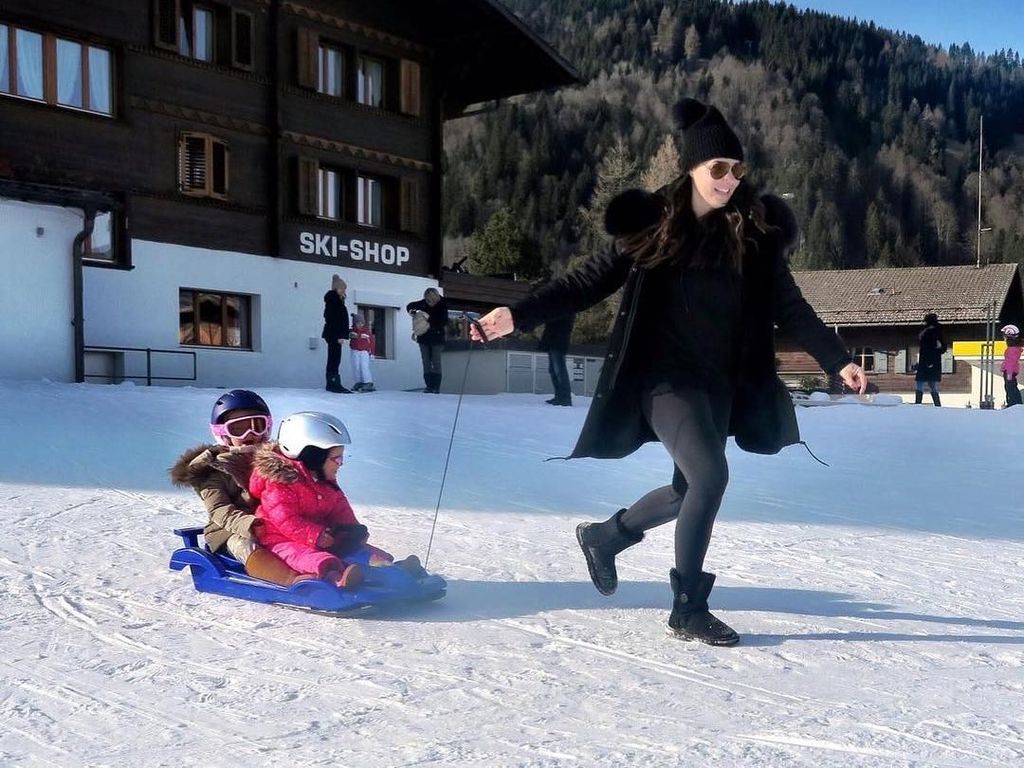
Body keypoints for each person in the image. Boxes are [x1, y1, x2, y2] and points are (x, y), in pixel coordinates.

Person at [471, 98, 867, 647]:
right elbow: (585, 282)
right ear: (693, 167)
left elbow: (791, 307)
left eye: (738, 169)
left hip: (719, 384)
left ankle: (607, 537)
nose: (729, 180)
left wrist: (837, 358)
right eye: (718, 168)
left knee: (687, 490)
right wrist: (517, 315)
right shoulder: (654, 227)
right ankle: (688, 608)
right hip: (663, 381)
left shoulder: (753, 235)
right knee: (710, 477)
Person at [249, 411, 423, 588]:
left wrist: (353, 529)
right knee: (315, 559)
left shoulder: (323, 480)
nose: (341, 463)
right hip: (281, 540)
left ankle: (392, 570)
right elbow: (287, 520)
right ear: (313, 457)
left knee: (358, 550)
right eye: (336, 458)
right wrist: (315, 535)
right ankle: (337, 579)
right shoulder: (278, 484)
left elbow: (339, 507)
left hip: (323, 537)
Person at [169, 389, 305, 586]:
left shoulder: (275, 460)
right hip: (231, 532)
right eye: (239, 428)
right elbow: (219, 510)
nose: (250, 434)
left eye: (257, 425)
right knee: (245, 545)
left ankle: (328, 569)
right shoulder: (214, 470)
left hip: (274, 523)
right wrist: (250, 524)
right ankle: (292, 580)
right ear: (223, 434)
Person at [406, 287, 448, 393]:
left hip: (437, 337)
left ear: (435, 298)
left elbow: (443, 322)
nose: (428, 302)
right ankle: (429, 386)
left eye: (430, 300)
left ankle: (436, 387)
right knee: (426, 362)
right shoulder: (424, 303)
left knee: (436, 362)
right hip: (423, 337)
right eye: (427, 300)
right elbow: (410, 305)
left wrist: (428, 319)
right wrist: (412, 311)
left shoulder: (442, 305)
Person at [322, 274, 351, 393]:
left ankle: (333, 383)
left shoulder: (337, 301)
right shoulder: (334, 301)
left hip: (334, 334)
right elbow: (333, 320)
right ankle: (333, 384)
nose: (344, 291)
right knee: (334, 359)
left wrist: (346, 333)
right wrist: (338, 335)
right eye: (342, 288)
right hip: (334, 335)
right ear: (337, 288)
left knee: (335, 359)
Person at [539, 312, 575, 406]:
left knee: (559, 370)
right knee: (553, 370)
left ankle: (565, 398)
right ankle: (559, 396)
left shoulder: (566, 311)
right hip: (553, 340)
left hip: (559, 341)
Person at [915, 312, 946, 406]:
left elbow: (931, 348)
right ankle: (937, 405)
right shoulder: (937, 331)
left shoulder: (928, 332)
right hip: (933, 361)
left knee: (921, 383)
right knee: (932, 385)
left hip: (926, 361)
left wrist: (929, 360)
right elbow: (943, 348)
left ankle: (918, 404)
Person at [348, 314, 377, 392]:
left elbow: (372, 342)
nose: (360, 324)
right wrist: (358, 335)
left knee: (364, 367)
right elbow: (351, 335)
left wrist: (372, 353)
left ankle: (368, 382)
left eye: (361, 323)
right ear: (355, 323)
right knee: (356, 367)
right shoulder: (352, 331)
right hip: (355, 351)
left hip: (364, 352)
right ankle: (359, 382)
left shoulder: (366, 332)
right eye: (358, 323)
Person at [1001, 323, 1022, 407]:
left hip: (1009, 372)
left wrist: (1009, 374)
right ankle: (1014, 403)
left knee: (1010, 388)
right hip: (1010, 372)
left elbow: (1011, 362)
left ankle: (1013, 404)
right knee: (1012, 387)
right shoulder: (1014, 349)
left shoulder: (1012, 349)